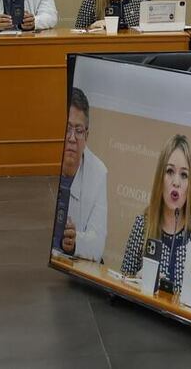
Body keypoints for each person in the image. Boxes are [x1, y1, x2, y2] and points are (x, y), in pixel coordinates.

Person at [121, 135, 191, 293]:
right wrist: (136, 283)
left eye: (184, 175)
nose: (176, 182)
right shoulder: (142, 225)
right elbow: (121, 288)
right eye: (170, 171)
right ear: (160, 178)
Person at [55, 88, 108, 262]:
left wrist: (76, 240)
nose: (71, 138)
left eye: (78, 130)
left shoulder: (99, 173)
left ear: (87, 135)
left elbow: (98, 244)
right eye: (67, 128)